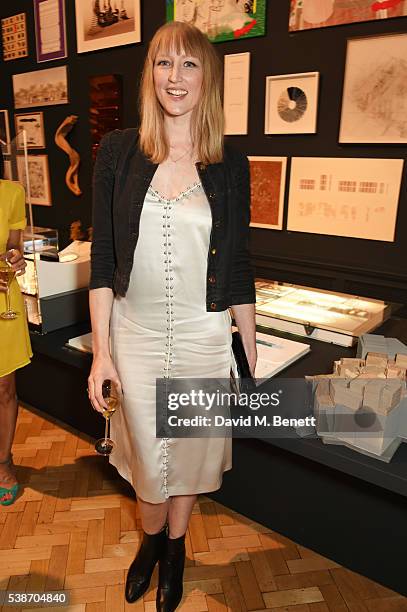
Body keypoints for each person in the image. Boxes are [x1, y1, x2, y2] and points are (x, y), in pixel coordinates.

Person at [88, 20, 256, 611]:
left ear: (206, 77)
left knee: (188, 450)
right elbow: (104, 258)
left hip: (203, 336)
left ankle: (176, 548)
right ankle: (150, 542)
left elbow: (238, 264)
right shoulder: (117, 151)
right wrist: (102, 353)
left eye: (189, 64)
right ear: (150, 74)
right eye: (164, 63)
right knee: (143, 452)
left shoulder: (230, 164)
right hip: (132, 334)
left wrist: (248, 352)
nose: (175, 77)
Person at [0, 149, 32, 506]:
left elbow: (12, 247)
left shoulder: (11, 192)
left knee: (4, 388)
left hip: (2, 300)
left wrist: (15, 258)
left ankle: (3, 462)